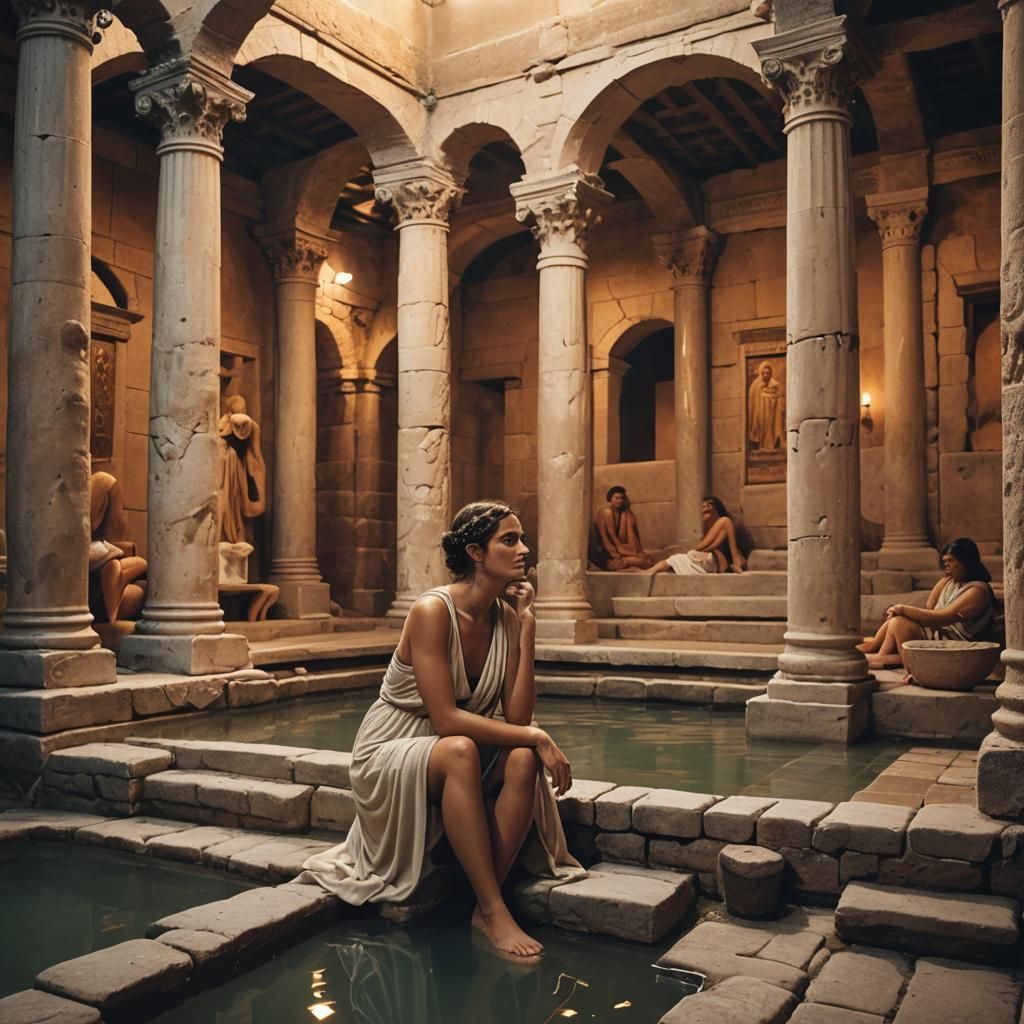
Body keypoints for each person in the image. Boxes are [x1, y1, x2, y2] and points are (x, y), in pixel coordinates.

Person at [301, 501, 582, 959]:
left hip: (452, 744)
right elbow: (445, 720)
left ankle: (482, 904)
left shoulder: (506, 617)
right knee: (466, 749)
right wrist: (539, 735)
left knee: (521, 757)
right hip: (393, 744)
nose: (524, 550)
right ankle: (493, 909)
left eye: (522, 539)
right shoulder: (432, 610)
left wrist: (527, 625)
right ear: (475, 552)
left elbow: (516, 717)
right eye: (509, 540)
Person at [857, 538, 997, 669]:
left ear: (966, 562)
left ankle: (888, 660)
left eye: (951, 560)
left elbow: (940, 617)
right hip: (936, 633)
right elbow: (928, 609)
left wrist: (903, 609)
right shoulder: (946, 582)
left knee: (898, 623)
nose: (946, 564)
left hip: (959, 645)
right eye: (944, 561)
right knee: (895, 622)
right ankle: (877, 653)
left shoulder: (978, 591)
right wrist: (902, 613)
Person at [89, 472, 147, 622]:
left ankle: (116, 580)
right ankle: (113, 609)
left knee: (142, 578)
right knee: (145, 576)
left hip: (98, 589)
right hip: (96, 598)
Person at [647, 496, 748, 576]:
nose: (703, 510)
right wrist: (708, 549)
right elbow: (704, 547)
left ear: (714, 508)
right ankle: (648, 571)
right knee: (674, 560)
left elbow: (699, 547)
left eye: (706, 506)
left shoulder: (724, 522)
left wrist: (735, 559)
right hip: (706, 563)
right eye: (702, 507)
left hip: (714, 562)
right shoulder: (713, 528)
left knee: (676, 559)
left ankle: (736, 561)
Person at [218, 394, 266, 544]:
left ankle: (231, 534)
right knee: (226, 500)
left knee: (233, 501)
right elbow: (256, 454)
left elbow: (255, 452)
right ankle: (227, 534)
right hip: (226, 467)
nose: (243, 410)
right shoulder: (229, 424)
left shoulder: (246, 425)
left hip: (235, 468)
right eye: (242, 407)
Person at [590, 486, 653, 570]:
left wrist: (629, 551)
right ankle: (627, 562)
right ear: (610, 498)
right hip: (607, 552)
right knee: (617, 563)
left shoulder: (625, 513)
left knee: (647, 560)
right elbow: (603, 537)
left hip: (621, 551)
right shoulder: (604, 512)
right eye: (616, 498)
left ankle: (627, 562)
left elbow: (633, 539)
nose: (619, 501)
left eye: (621, 498)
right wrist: (614, 554)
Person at [747, 360, 785, 452]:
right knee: (761, 427)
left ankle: (770, 445)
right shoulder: (756, 385)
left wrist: (773, 400)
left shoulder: (775, 384)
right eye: (764, 373)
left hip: (772, 411)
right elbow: (752, 399)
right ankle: (760, 445)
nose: (766, 375)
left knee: (770, 428)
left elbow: (779, 396)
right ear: (761, 373)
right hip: (760, 411)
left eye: (768, 373)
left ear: (771, 373)